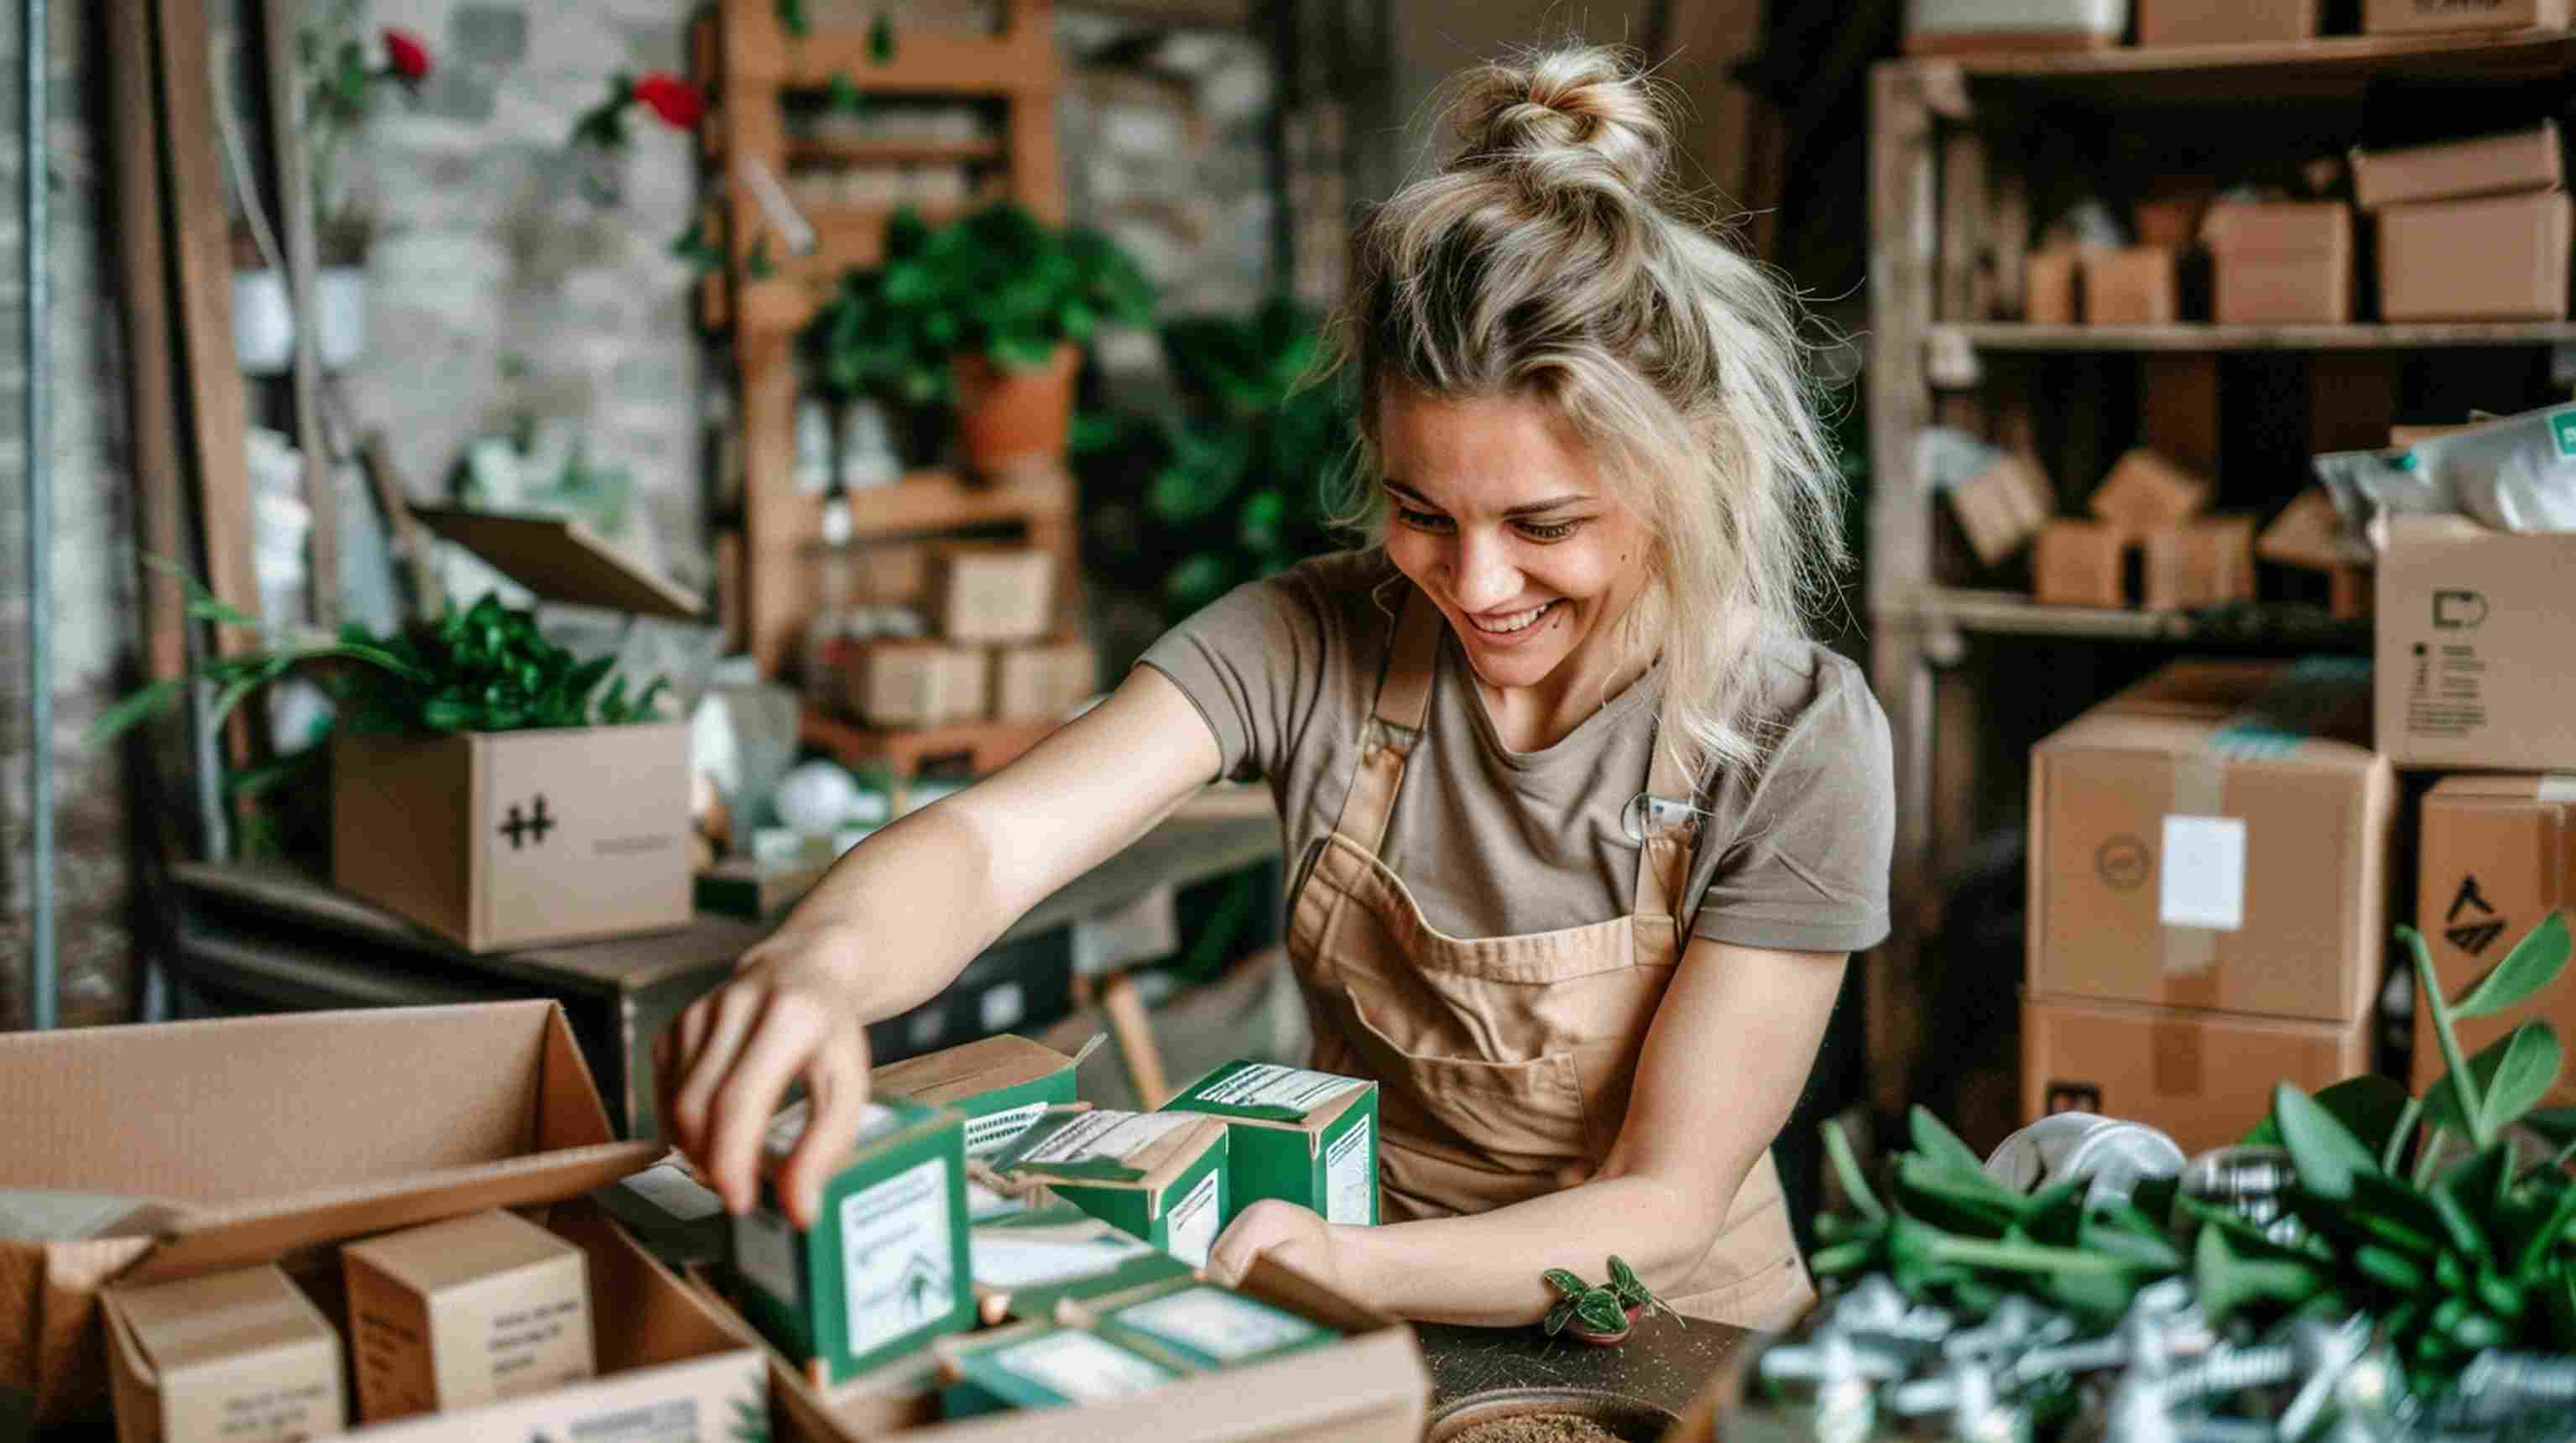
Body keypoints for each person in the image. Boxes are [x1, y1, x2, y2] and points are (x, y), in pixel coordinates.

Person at [654, 42, 1890, 1333]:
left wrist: (1348, 1268)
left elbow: (1664, 1200)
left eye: (1544, 524)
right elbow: (986, 846)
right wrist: (816, 966)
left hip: (1669, 1333)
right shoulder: (1307, 641)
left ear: (1687, 465)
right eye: (1422, 513)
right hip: (1359, 1290)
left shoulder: (1793, 735)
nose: (1473, 585)